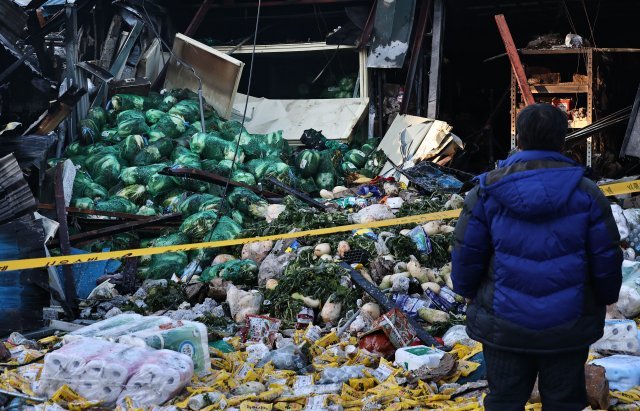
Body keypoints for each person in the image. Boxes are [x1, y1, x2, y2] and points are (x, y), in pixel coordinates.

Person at [451, 103, 622, 411]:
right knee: (564, 402)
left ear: (520, 139)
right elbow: (606, 256)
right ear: (562, 141)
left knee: (504, 401)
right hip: (567, 327)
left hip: (504, 325)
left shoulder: (487, 191)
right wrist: (607, 295)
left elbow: (466, 253)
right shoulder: (587, 194)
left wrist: (466, 291)